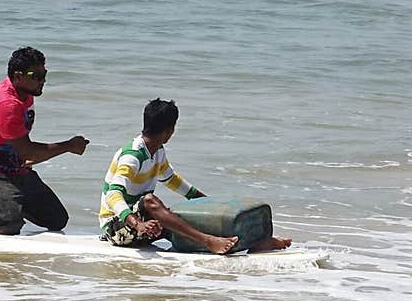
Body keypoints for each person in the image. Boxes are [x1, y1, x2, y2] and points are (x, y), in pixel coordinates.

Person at [98, 98, 292, 254]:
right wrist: (137, 224)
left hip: (139, 224)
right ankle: (209, 242)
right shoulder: (133, 156)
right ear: (169, 130)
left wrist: (210, 205)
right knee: (151, 202)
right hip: (116, 228)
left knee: (182, 218)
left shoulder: (157, 151)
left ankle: (255, 242)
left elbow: (173, 181)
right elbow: (113, 195)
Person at [0, 46, 89, 235]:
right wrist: (68, 146)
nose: (42, 81)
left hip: (13, 168)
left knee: (57, 220)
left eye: (44, 75)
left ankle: (3, 199)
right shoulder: (7, 104)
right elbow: (28, 151)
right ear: (18, 76)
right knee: (8, 225)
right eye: (35, 76)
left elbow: (22, 148)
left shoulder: (25, 93)